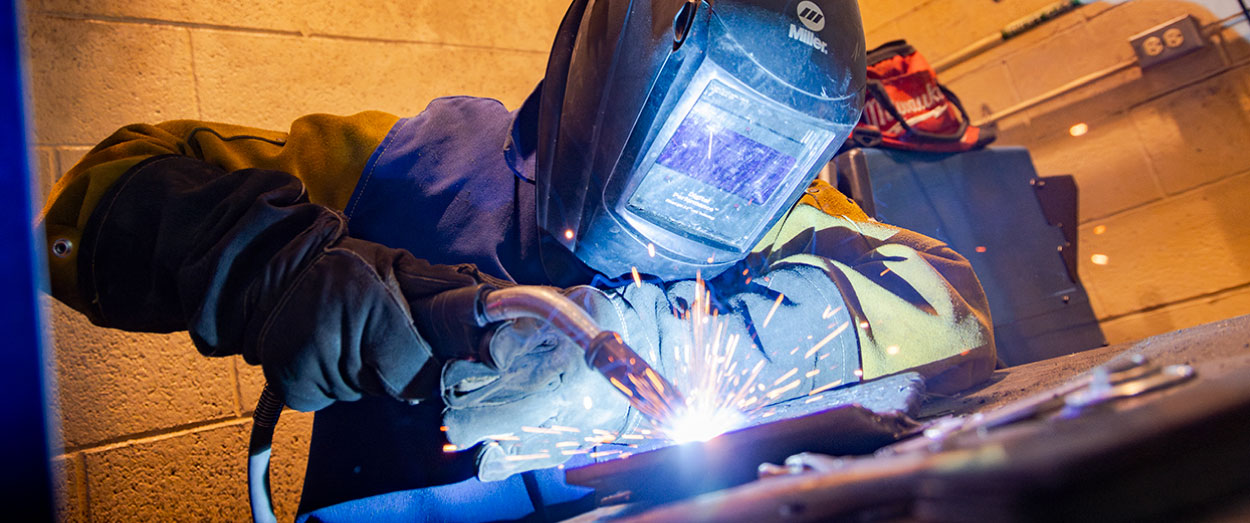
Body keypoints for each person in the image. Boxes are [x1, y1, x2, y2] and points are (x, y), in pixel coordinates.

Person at [38, 0, 994, 520]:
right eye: (706, 141)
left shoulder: (781, 207)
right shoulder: (401, 163)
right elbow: (88, 204)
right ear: (618, 78)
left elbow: (949, 299)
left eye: (766, 163)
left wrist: (637, 346)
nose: (722, 193)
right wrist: (272, 263)